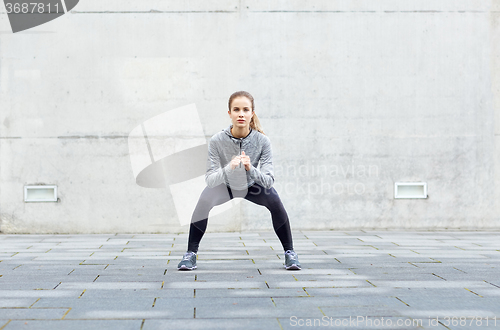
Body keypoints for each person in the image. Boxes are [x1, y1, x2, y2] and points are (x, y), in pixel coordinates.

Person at [177, 91, 301, 271]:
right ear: (229, 113)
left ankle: (290, 253)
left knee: (275, 202)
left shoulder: (263, 141)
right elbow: (210, 180)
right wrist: (229, 168)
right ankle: (190, 255)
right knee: (203, 201)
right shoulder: (217, 141)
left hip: (252, 186)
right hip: (224, 186)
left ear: (252, 113)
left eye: (245, 110)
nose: (241, 114)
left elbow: (268, 181)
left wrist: (251, 169)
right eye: (236, 109)